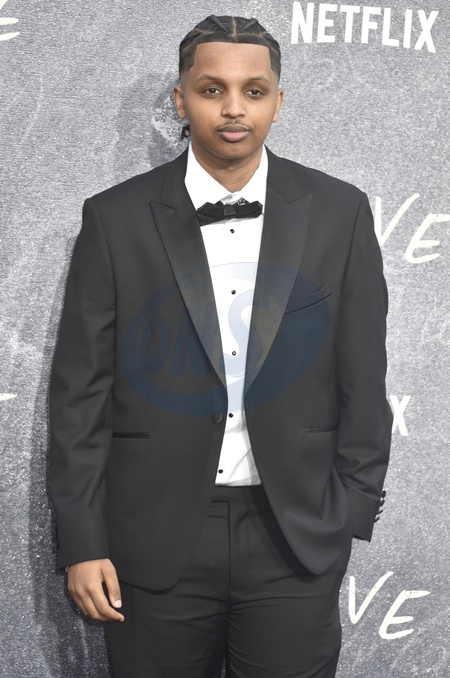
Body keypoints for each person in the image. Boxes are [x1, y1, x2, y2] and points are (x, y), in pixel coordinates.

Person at [49, 14, 392, 678]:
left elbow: (363, 374)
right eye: (212, 90)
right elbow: (79, 396)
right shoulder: (114, 218)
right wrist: (82, 542)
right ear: (181, 99)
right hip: (151, 538)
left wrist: (349, 508)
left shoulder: (340, 211)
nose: (234, 108)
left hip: (295, 536)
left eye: (253, 90)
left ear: (277, 101)